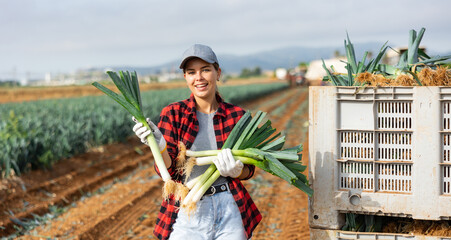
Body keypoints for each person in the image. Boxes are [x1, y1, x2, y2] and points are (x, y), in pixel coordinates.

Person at [132, 44, 261, 240]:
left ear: (218, 73)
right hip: (188, 207)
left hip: (229, 206)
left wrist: (236, 170)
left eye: (205, 70)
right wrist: (159, 148)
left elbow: (249, 170)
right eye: (191, 72)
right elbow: (168, 173)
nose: (198, 78)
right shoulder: (173, 114)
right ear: (186, 78)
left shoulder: (238, 116)